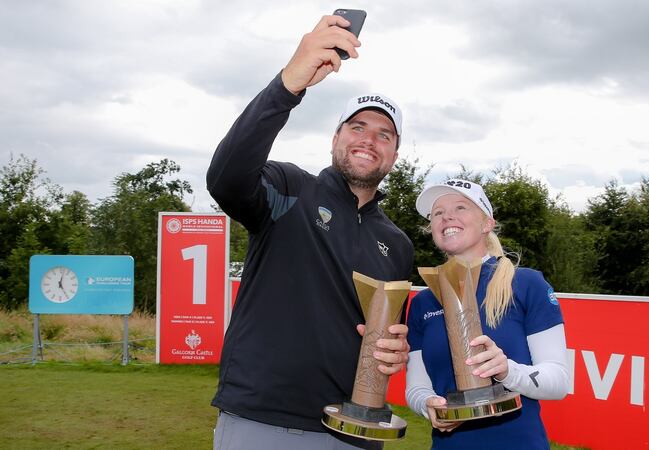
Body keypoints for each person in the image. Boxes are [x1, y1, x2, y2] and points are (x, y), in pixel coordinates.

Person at [206, 14, 413, 450]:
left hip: (356, 433)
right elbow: (225, 177)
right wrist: (289, 85)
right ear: (335, 137)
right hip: (263, 422)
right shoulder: (290, 189)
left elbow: (388, 335)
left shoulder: (397, 244)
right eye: (357, 127)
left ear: (394, 154)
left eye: (384, 134)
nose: (369, 139)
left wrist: (395, 351)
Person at [405, 179, 569, 449]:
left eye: (461, 207)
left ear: (487, 224)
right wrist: (427, 405)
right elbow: (416, 388)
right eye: (437, 213)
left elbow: (559, 381)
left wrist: (507, 371)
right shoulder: (424, 301)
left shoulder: (526, 284)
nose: (447, 216)